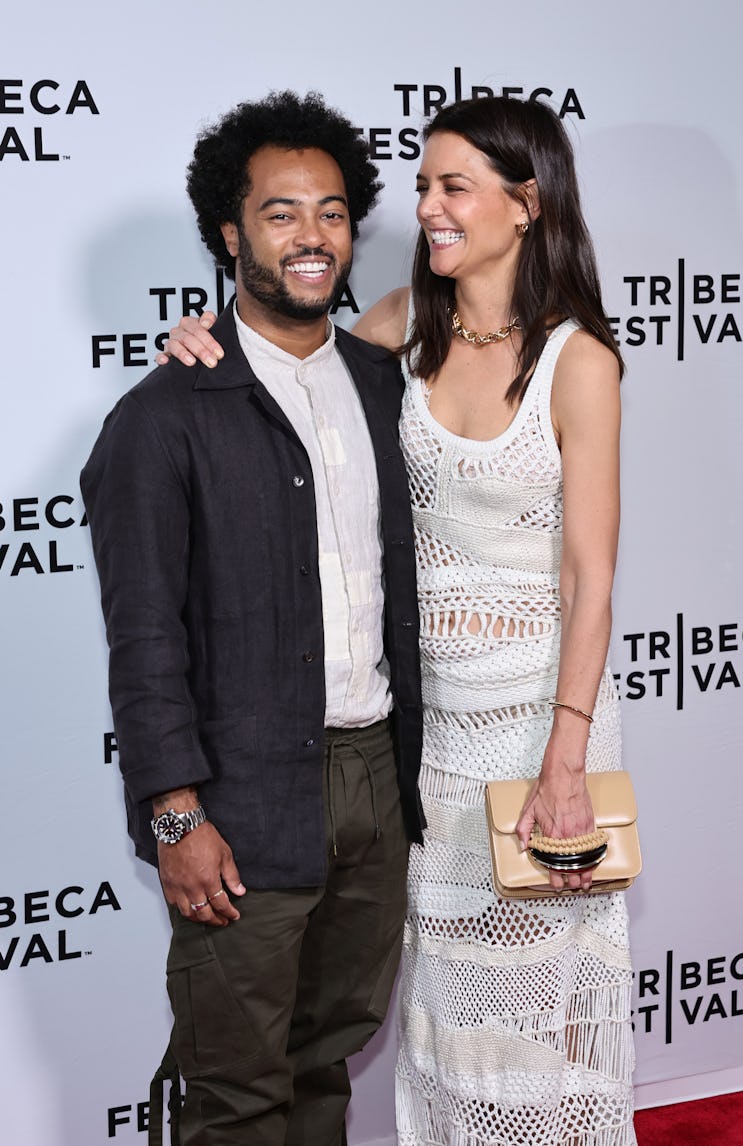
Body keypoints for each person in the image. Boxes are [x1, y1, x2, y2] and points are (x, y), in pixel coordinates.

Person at [161, 96, 635, 1144]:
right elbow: (282, 357)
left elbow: (589, 580)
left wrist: (565, 756)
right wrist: (197, 338)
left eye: (452, 186)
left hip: (539, 725)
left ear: (527, 202)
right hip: (422, 738)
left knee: (538, 1013)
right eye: (421, 186)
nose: (426, 208)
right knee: (441, 1016)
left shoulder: (579, 362)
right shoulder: (401, 324)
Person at [81, 90, 424, 1146]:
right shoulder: (161, 419)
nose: (311, 235)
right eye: (280, 213)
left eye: (331, 212)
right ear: (229, 235)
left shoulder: (384, 384)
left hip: (376, 783)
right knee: (235, 1097)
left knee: (327, 1065)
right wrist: (174, 817)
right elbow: (145, 640)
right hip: (236, 798)